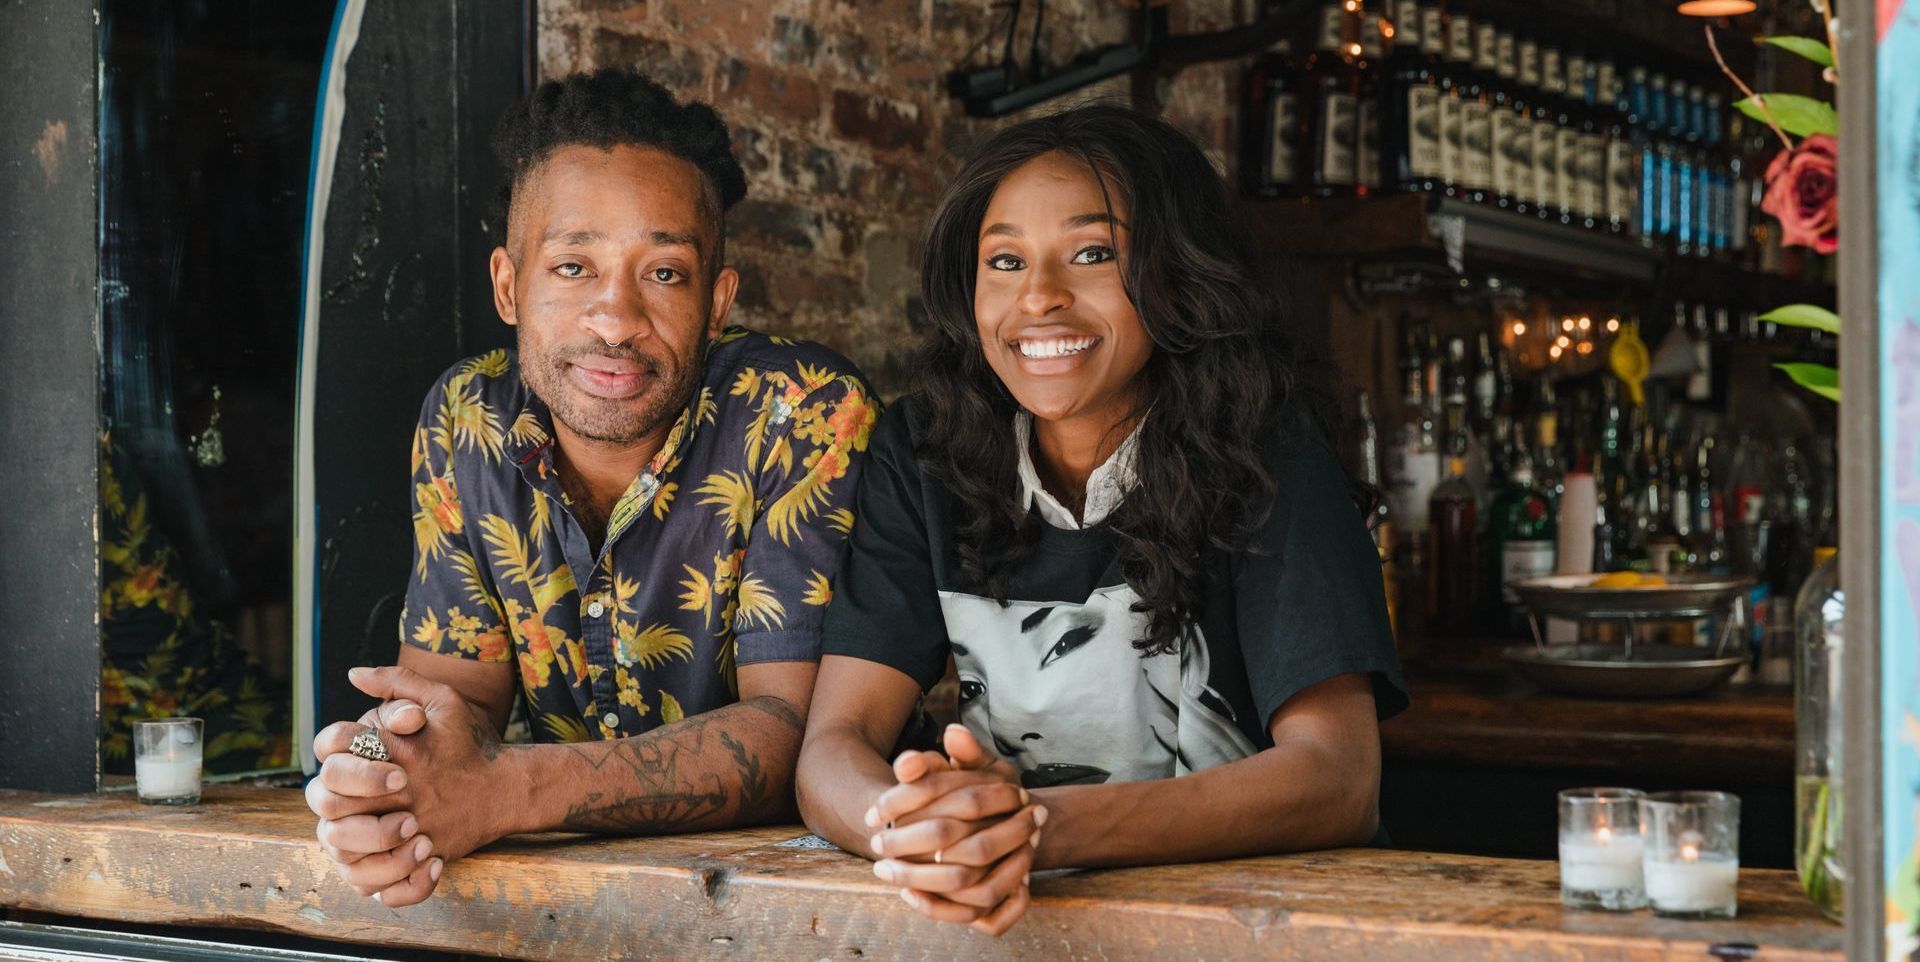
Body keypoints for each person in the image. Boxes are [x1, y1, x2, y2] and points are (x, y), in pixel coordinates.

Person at [794, 104, 1406, 935]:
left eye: (1093, 253)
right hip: (1017, 928)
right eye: (1004, 261)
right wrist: (918, 833)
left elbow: (1338, 779)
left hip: (1250, 933)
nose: (1039, 298)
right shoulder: (926, 448)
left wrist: (1035, 827)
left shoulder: (1267, 444)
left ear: (1173, 272)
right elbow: (833, 745)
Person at [302, 68, 877, 907]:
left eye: (665, 274)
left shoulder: (799, 411)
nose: (615, 318)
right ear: (509, 285)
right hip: (561, 901)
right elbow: (453, 702)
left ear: (718, 302)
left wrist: (509, 790)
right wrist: (386, 773)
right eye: (573, 267)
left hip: (800, 907)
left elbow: (791, 737)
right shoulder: (467, 419)